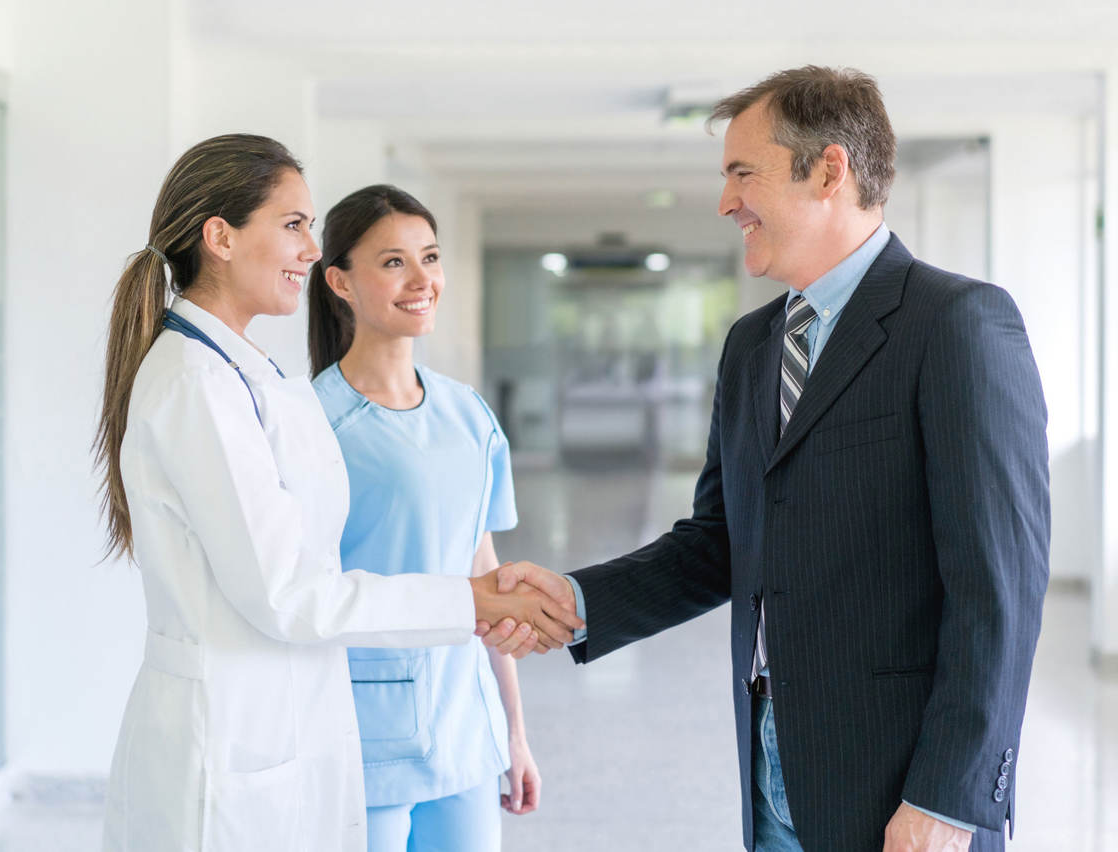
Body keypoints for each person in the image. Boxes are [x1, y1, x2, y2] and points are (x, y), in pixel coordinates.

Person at [482, 66, 1050, 852]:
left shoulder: (956, 325)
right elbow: (722, 542)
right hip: (773, 769)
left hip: (903, 786)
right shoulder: (752, 347)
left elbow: (1001, 590)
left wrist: (948, 799)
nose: (725, 203)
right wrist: (577, 600)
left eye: (742, 174)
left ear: (828, 170)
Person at [93, 135, 580, 852]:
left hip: (293, 722)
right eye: (293, 225)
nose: (311, 249)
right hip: (233, 738)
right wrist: (473, 602)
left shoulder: (243, 375)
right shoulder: (198, 386)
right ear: (221, 238)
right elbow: (293, 593)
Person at [307, 184, 539, 852]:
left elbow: (485, 577)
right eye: (393, 263)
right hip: (362, 730)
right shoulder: (312, 421)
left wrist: (514, 733)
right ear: (340, 282)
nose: (421, 280)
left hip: (465, 724)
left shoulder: (467, 413)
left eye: (429, 258)